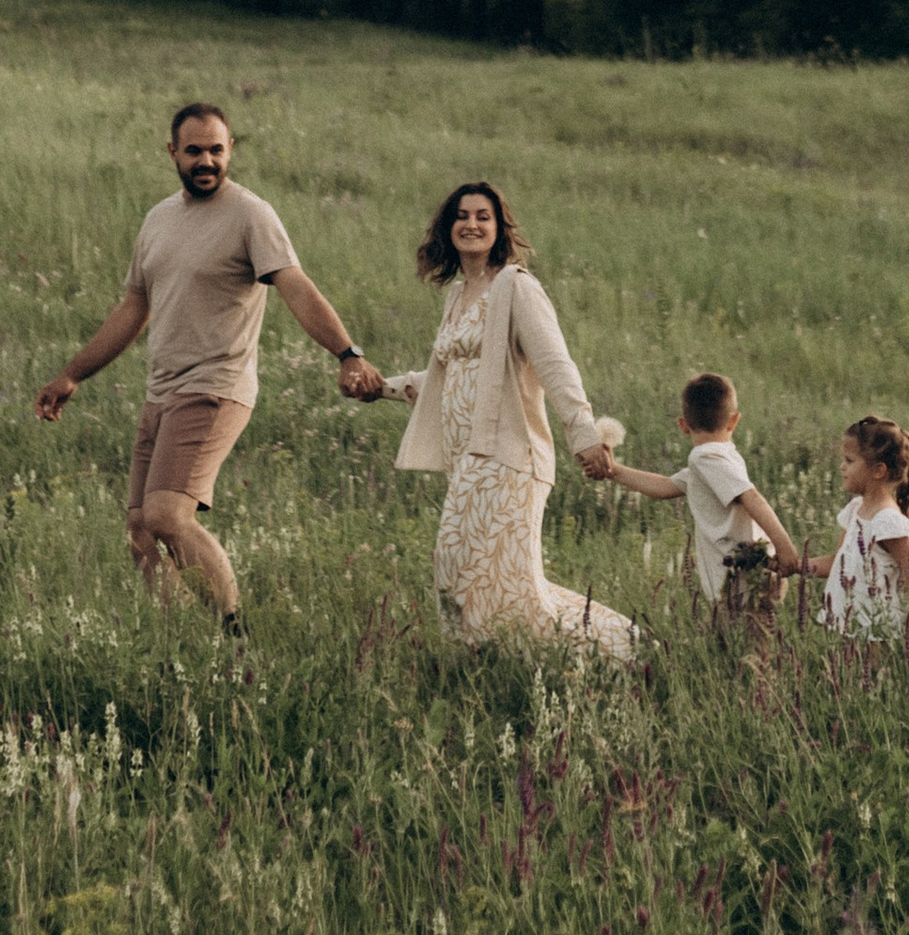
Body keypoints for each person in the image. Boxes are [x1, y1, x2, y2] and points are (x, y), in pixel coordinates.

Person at [36, 99, 380, 627]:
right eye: (194, 151)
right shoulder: (158, 219)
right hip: (161, 392)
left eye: (216, 150)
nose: (206, 161)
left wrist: (347, 353)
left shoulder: (250, 215)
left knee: (167, 514)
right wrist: (72, 374)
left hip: (215, 387)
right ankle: (182, 645)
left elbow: (295, 286)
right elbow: (133, 308)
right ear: (172, 152)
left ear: (230, 150)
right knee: (140, 530)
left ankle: (234, 634)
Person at [376, 183, 638, 658]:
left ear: (499, 230)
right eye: (461, 215)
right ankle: (499, 662)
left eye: (483, 216)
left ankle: (619, 651)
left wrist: (584, 436)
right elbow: (440, 378)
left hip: (510, 459)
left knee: (466, 570)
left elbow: (556, 365)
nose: (471, 224)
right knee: (490, 580)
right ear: (447, 228)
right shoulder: (459, 295)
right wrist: (380, 387)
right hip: (470, 461)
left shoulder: (516, 287)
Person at [600, 371, 805, 617]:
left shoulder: (705, 457)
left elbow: (751, 497)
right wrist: (614, 471)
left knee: (748, 653)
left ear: (683, 425)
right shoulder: (717, 458)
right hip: (740, 579)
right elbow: (666, 486)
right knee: (736, 649)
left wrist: (784, 546)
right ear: (734, 421)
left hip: (741, 581)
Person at [820, 414, 909, 639]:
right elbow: (836, 562)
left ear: (878, 470)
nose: (842, 467)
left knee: (873, 674)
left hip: (876, 630)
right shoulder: (855, 509)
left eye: (849, 461)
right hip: (847, 625)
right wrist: (794, 566)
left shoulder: (886, 520)